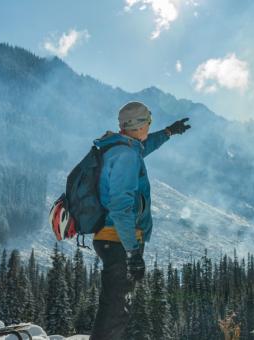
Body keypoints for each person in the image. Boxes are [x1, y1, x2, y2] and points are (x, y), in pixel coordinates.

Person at [89, 101, 190, 340]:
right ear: (139, 125)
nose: (149, 127)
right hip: (119, 240)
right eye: (149, 122)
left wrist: (168, 132)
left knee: (117, 306)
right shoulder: (126, 156)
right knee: (115, 308)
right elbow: (121, 208)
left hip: (113, 237)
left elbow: (145, 146)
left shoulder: (122, 148)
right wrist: (133, 252)